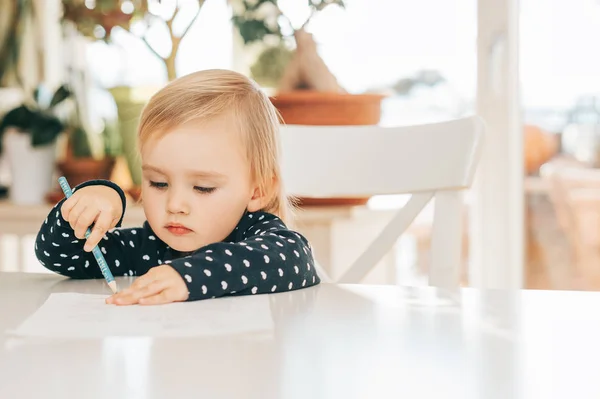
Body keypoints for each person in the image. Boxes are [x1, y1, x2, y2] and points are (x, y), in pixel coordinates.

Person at [34, 69, 320, 306]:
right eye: (158, 183)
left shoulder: (262, 235)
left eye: (203, 187)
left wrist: (186, 277)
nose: (174, 205)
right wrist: (94, 198)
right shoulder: (152, 246)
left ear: (257, 190)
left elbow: (294, 257)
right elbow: (59, 255)